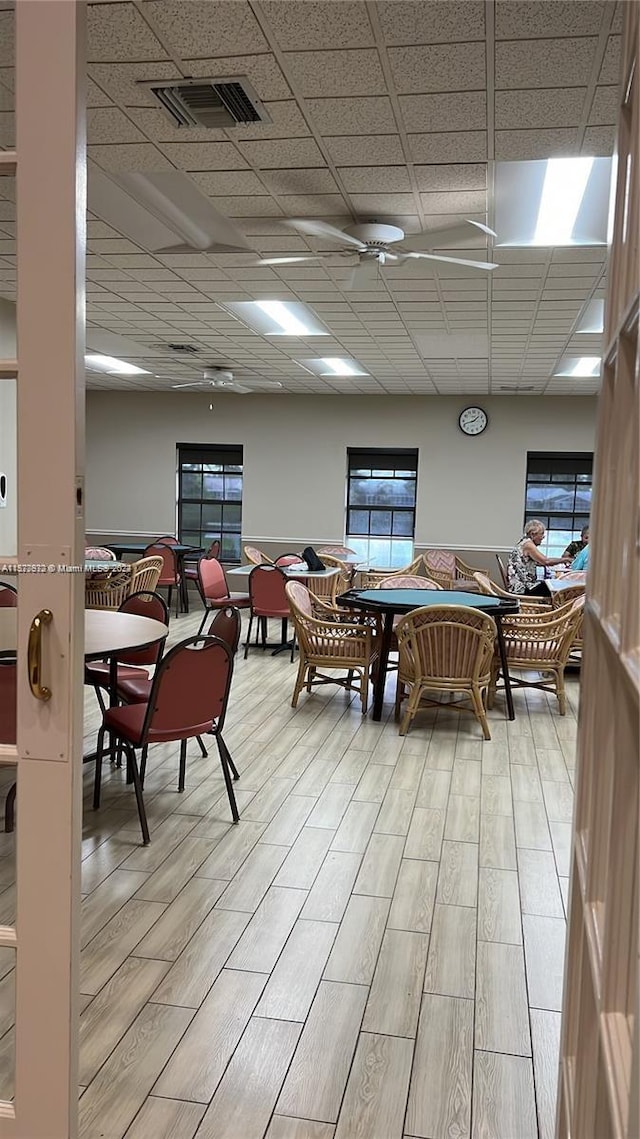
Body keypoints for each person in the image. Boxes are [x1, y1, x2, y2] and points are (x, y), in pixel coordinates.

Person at [507, 519, 570, 596]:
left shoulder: (524, 542)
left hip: (520, 585)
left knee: (550, 584)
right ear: (533, 534)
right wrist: (565, 560)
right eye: (542, 533)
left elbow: (540, 562)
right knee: (557, 590)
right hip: (523, 588)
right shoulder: (528, 545)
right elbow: (546, 561)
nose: (543, 537)